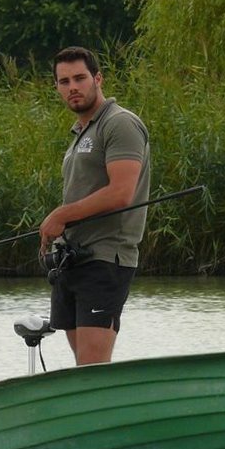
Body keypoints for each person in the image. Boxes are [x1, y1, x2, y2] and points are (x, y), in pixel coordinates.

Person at [40, 46, 151, 365]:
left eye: (80, 78)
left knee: (92, 368)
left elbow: (121, 193)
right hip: (73, 259)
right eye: (64, 81)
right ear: (57, 87)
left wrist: (61, 214)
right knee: (82, 371)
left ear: (97, 79)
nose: (72, 87)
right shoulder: (79, 133)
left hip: (105, 258)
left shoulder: (120, 124)